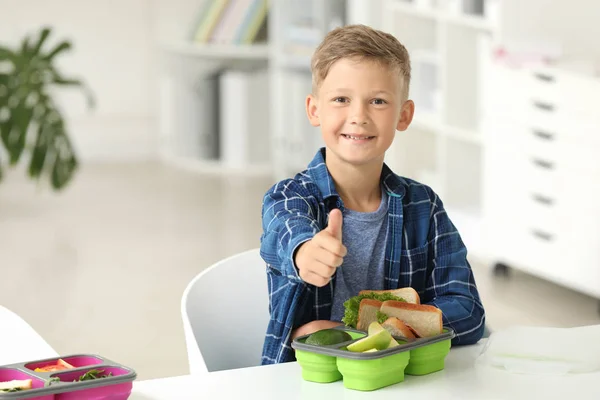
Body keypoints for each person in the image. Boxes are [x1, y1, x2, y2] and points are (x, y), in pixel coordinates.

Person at [259, 24, 485, 365]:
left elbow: (468, 312)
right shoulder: (288, 197)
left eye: (378, 101)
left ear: (404, 115)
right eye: (341, 100)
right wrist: (304, 252)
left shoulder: (423, 205)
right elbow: (285, 232)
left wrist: (371, 332)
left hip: (402, 379)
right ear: (314, 109)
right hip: (306, 381)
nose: (359, 116)